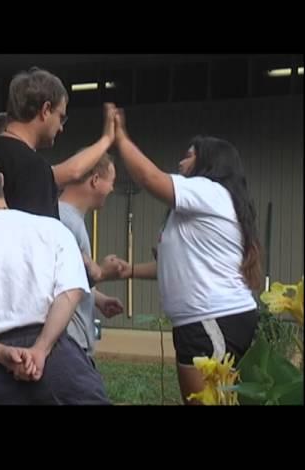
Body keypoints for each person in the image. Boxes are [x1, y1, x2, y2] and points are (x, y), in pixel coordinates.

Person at [110, 109, 261, 404]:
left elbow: (148, 177)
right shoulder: (200, 207)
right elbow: (176, 267)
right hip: (207, 320)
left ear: (208, 164)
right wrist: (130, 270)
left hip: (212, 319)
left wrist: (119, 137)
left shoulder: (209, 191)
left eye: (189, 155)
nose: (181, 162)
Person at [0, 152, 110, 405]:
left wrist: (1, 354)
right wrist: (41, 349)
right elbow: (70, 292)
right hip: (58, 359)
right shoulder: (51, 230)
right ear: (2, 181)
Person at [0, 66, 115, 219]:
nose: (61, 128)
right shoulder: (32, 168)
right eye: (61, 117)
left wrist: (106, 139)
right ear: (46, 109)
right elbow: (40, 238)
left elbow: (72, 171)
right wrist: (107, 138)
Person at [57, 153, 125, 357]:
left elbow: (71, 277)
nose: (112, 189)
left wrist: (99, 299)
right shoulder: (65, 220)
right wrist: (102, 272)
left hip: (75, 339)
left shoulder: (70, 218)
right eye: (111, 182)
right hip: (69, 340)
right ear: (95, 180)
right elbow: (57, 283)